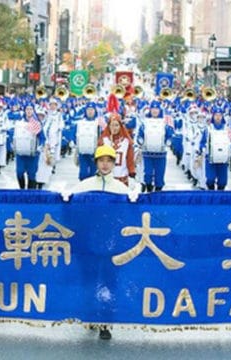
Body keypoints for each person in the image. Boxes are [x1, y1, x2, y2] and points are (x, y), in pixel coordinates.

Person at [71, 144, 128, 340]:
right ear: (96, 162)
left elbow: (129, 215)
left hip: (112, 245)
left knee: (108, 283)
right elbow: (70, 205)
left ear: (114, 164)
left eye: (109, 161)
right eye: (101, 160)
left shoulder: (121, 188)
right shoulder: (84, 185)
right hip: (88, 244)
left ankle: (105, 323)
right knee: (89, 280)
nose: (105, 164)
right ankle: (90, 316)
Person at [98, 112, 136, 186]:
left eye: (116, 125)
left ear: (120, 126)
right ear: (108, 126)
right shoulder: (104, 140)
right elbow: (99, 158)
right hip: (107, 177)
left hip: (122, 177)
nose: (114, 128)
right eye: (111, 125)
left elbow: (130, 159)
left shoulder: (126, 141)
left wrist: (132, 173)